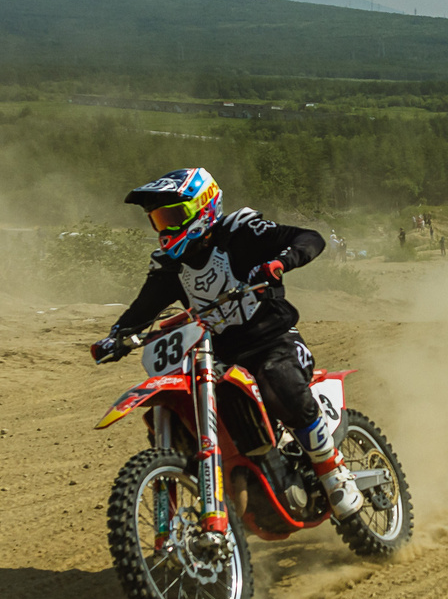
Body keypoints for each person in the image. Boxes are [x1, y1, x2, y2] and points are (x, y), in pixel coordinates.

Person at [89, 169, 363, 515]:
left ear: (203, 208)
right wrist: (117, 335)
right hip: (216, 356)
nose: (166, 228)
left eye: (174, 216)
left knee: (277, 377)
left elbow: (309, 238)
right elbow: (143, 308)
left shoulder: (240, 232)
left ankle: (332, 469)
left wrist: (280, 262)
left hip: (273, 340)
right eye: (159, 220)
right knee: (182, 403)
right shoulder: (171, 266)